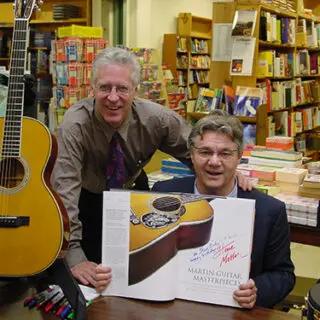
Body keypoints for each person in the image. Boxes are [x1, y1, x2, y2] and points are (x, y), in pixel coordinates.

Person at [51, 47, 251, 292]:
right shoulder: (75, 124)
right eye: (105, 88)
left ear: (135, 91)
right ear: (92, 89)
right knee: (93, 280)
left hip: (133, 192)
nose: (113, 97)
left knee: (138, 274)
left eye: (122, 88)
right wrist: (74, 257)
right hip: (87, 200)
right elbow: (64, 192)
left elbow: (198, 150)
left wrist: (227, 172)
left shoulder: (156, 119)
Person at [152, 110, 295, 309]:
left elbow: (284, 274)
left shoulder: (269, 210)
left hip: (236, 312)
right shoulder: (163, 195)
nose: (214, 162)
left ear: (239, 157)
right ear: (191, 155)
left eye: (225, 153)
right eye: (205, 152)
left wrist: (257, 290)